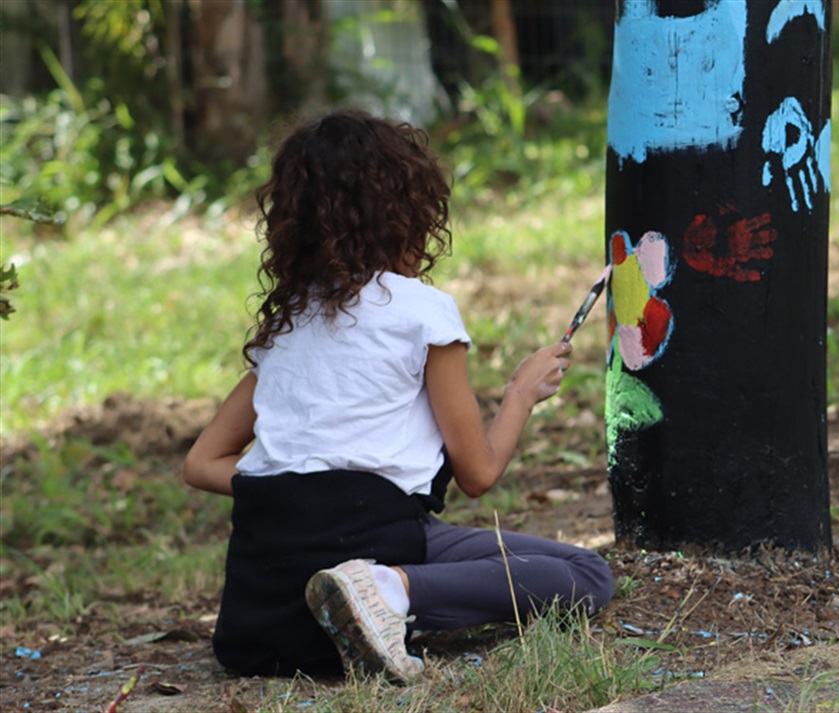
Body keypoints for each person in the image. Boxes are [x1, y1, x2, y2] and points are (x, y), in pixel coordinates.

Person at [182, 109, 614, 682]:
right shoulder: (421, 312)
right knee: (585, 574)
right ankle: (389, 588)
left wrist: (290, 483)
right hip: (378, 535)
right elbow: (478, 474)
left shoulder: (285, 329)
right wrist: (520, 392)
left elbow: (200, 462)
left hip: (265, 616)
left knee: (529, 565)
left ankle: (375, 599)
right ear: (406, 211)